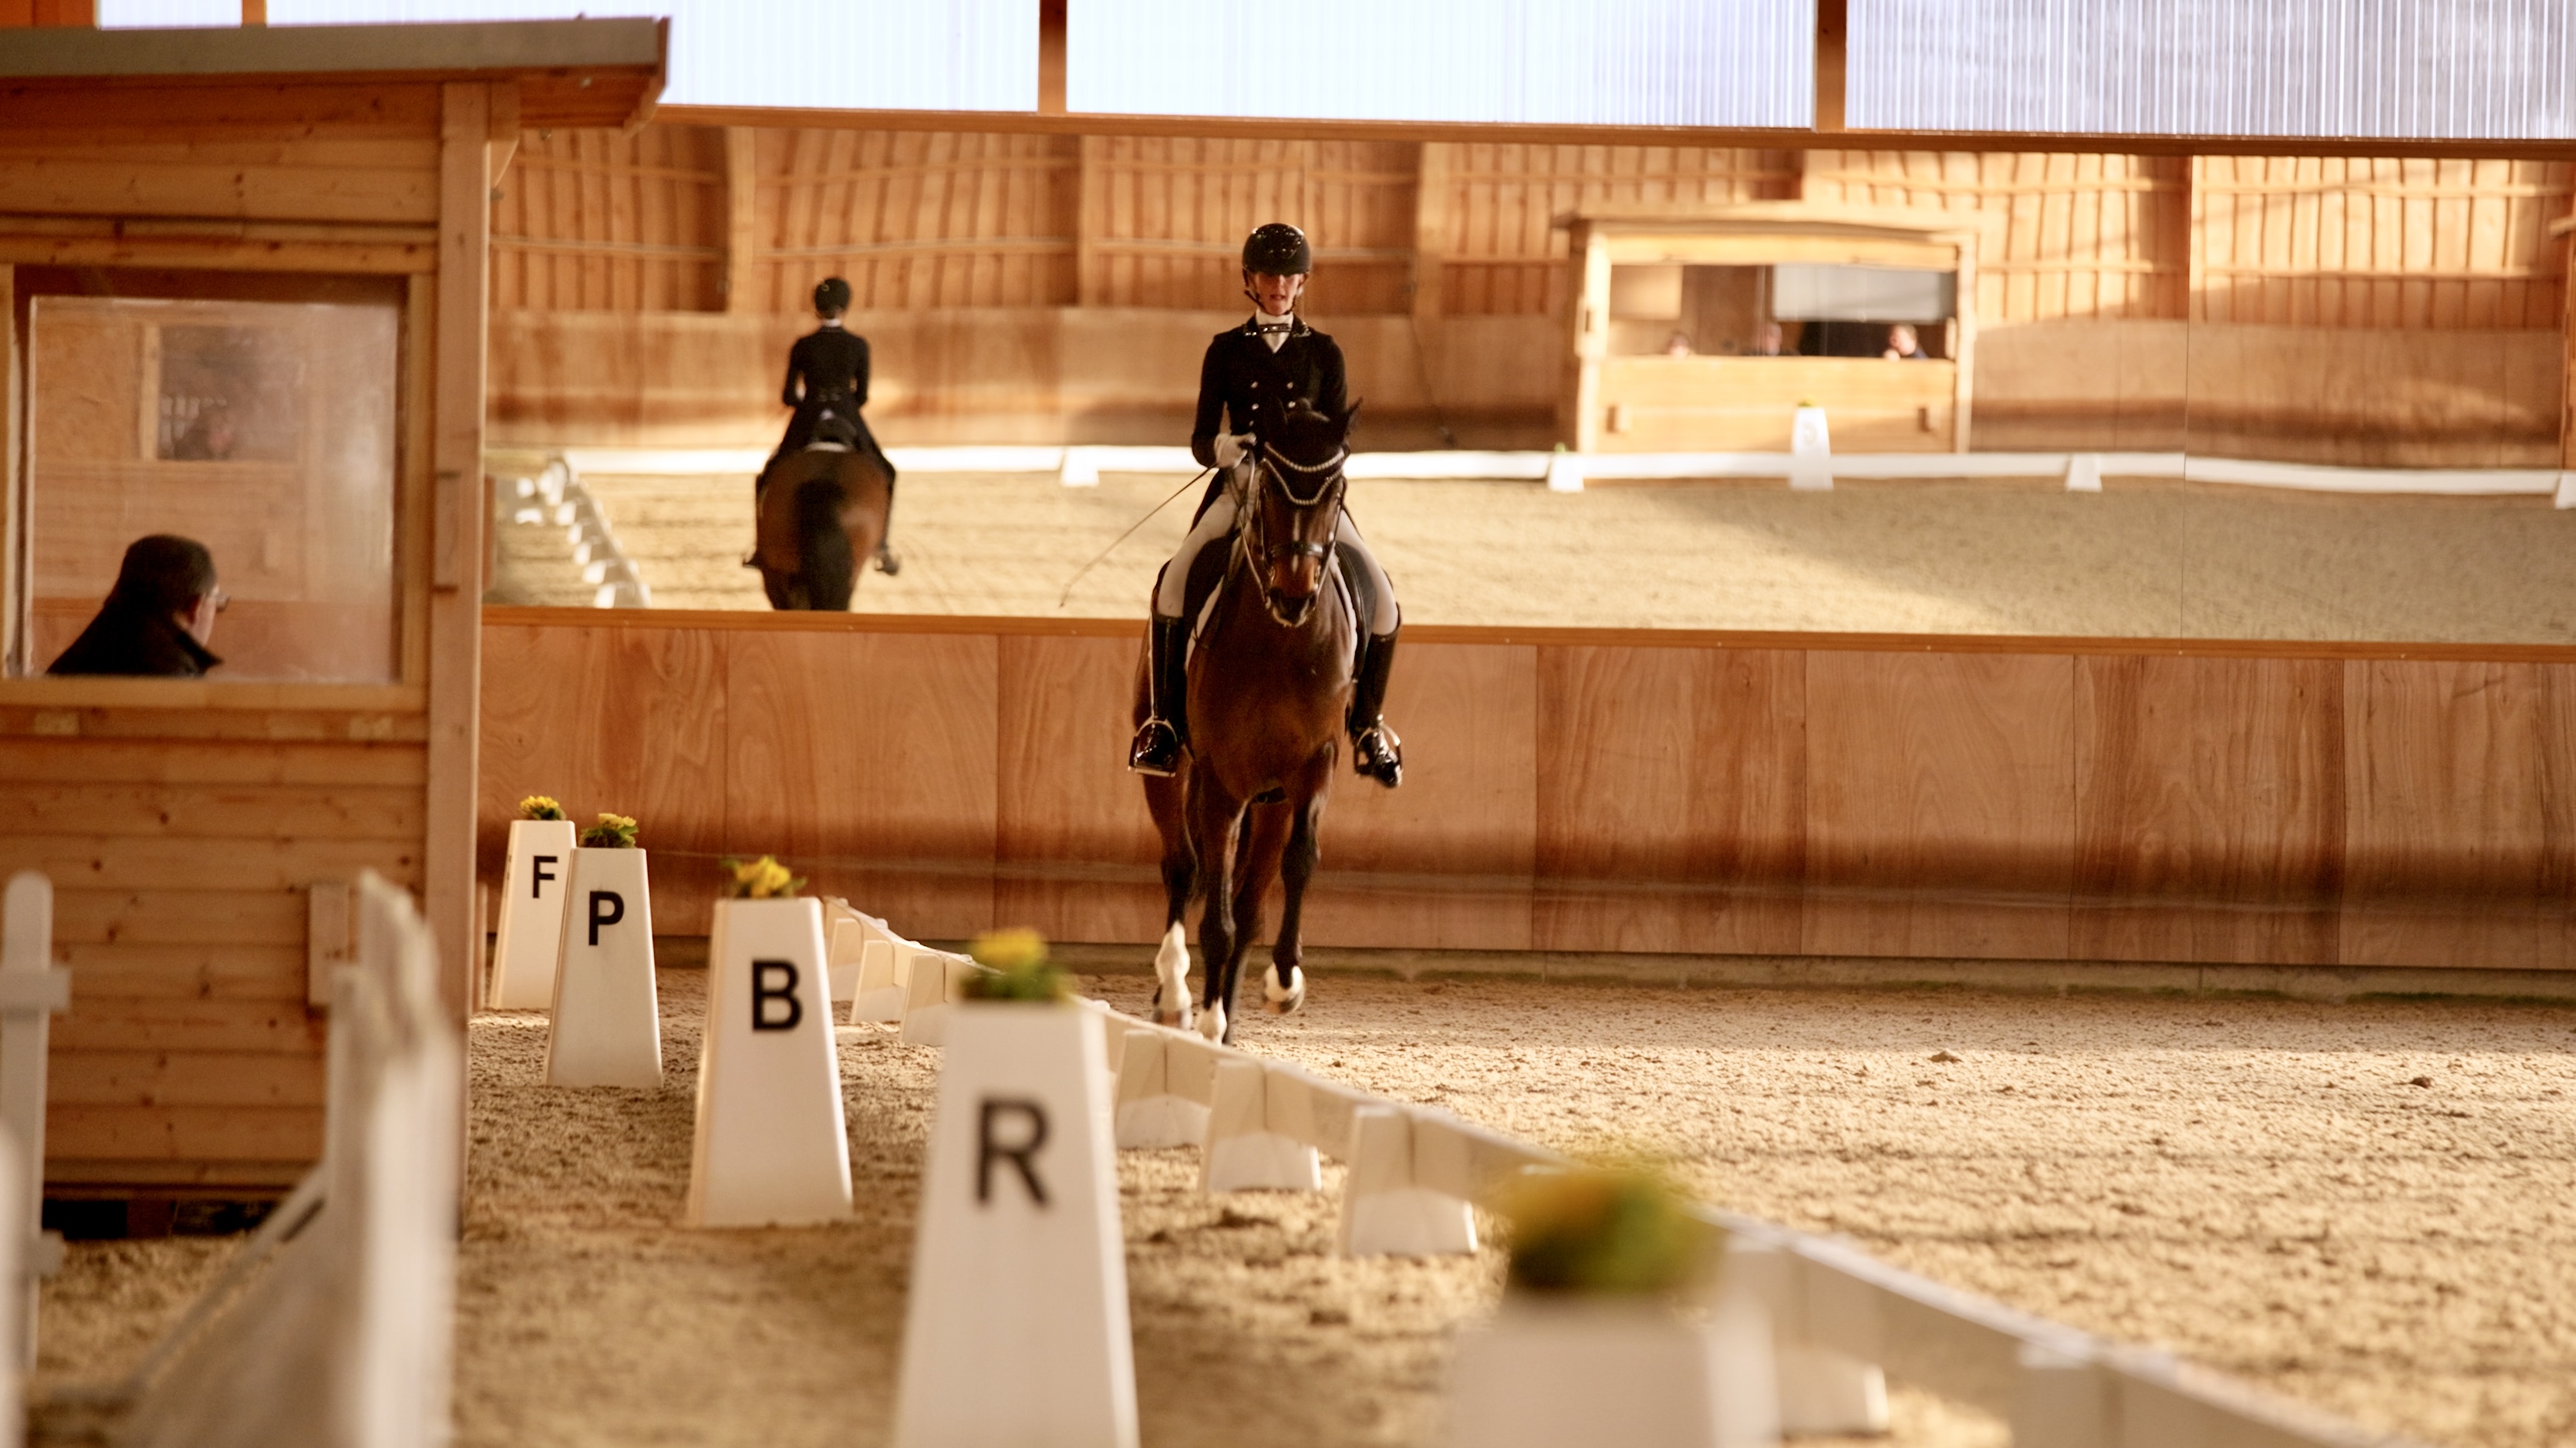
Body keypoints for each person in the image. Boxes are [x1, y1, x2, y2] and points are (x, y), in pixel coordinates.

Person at [1127, 221, 1404, 789]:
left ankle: (1369, 726)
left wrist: (1308, 457)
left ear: (1302, 283)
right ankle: (1164, 724)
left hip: (1305, 495)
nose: (1278, 285)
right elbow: (1202, 439)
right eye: (1268, 275)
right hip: (1242, 488)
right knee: (1174, 582)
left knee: (1384, 600)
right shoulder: (1226, 350)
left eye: (1288, 276)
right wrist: (1224, 448)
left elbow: (1337, 441)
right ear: (1251, 281)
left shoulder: (1324, 352)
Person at [773, 277, 899, 573]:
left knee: (770, 473)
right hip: (846, 412)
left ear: (816, 309)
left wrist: (809, 401)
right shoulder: (857, 345)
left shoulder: (803, 345)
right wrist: (841, 401)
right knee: (887, 471)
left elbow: (789, 395)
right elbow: (863, 396)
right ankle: (882, 545)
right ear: (846, 307)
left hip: (809, 415)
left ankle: (758, 549)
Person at [48, 534, 225, 677]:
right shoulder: (173, 673)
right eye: (217, 602)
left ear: (117, 589)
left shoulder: (87, 648)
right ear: (196, 606)